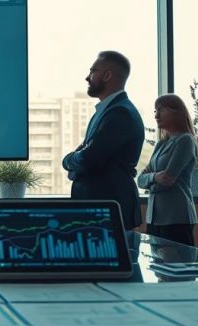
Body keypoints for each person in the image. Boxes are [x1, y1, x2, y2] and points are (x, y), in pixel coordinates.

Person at [62, 51, 145, 232]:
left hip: (108, 212)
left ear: (107, 75)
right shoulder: (107, 111)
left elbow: (89, 158)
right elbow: (88, 156)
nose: (87, 77)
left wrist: (68, 160)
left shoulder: (119, 113)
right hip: (100, 210)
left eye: (92, 71)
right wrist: (81, 157)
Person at [137, 94, 198, 246]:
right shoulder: (161, 144)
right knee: (156, 260)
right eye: (155, 111)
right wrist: (155, 177)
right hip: (154, 217)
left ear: (177, 112)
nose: (156, 115)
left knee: (178, 260)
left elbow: (167, 180)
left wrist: (150, 181)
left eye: (161, 110)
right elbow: (140, 180)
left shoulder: (185, 140)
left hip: (176, 217)